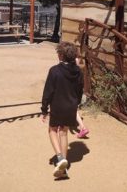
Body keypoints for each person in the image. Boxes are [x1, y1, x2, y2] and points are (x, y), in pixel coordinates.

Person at [41, 41, 83, 179]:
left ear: (60, 55)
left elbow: (48, 92)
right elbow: (80, 90)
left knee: (52, 130)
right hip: (71, 105)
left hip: (57, 105)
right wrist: (75, 103)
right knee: (64, 132)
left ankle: (60, 158)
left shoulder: (54, 71)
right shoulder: (78, 71)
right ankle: (63, 166)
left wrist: (44, 109)